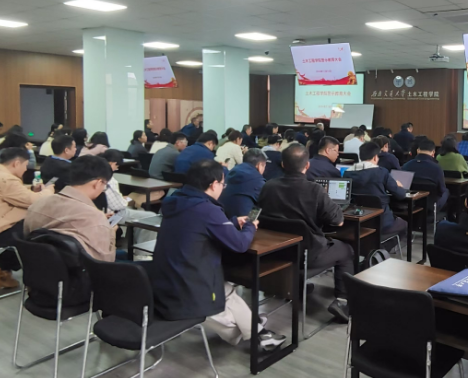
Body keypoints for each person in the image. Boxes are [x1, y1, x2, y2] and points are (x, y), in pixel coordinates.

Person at [150, 159, 285, 349]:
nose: (223, 188)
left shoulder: (175, 200)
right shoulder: (207, 209)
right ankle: (253, 332)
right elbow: (239, 244)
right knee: (224, 308)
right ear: (214, 184)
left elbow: (196, 226)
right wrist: (249, 226)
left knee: (227, 289)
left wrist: (230, 223)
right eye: (223, 184)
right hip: (186, 288)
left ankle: (256, 330)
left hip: (166, 278)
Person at [258, 144, 352, 321]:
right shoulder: (315, 190)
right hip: (308, 254)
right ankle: (343, 301)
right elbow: (338, 221)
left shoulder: (268, 186)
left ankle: (297, 284)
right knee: (345, 250)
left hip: (276, 251)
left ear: (283, 164)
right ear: (307, 165)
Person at [0, 148, 55, 292]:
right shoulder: (6, 179)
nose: (26, 169)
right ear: (16, 163)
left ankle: (2, 269)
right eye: (25, 165)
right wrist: (49, 190)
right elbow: (35, 200)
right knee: (39, 233)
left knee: (33, 226)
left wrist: (31, 188)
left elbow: (14, 192)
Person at [24, 155, 116, 261]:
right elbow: (105, 262)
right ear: (98, 183)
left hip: (37, 266)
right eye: (105, 185)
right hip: (79, 270)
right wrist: (110, 232)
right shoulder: (96, 218)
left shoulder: (38, 204)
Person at [344, 142, 408, 248]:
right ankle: (382, 250)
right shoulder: (381, 172)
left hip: (360, 220)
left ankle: (375, 248)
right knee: (404, 224)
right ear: (375, 157)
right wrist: (398, 186)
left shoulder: (347, 173)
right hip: (382, 221)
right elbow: (401, 195)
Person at [99, 150, 159, 245]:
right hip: (113, 213)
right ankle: (142, 250)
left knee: (139, 211)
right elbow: (118, 206)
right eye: (117, 167)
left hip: (101, 212)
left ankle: (134, 244)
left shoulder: (93, 173)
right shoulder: (109, 179)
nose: (116, 169)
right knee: (150, 216)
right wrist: (125, 200)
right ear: (112, 163)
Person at [402, 138, 449, 212]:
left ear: (418, 150)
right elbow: (441, 190)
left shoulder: (406, 166)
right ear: (433, 152)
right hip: (431, 205)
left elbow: (402, 187)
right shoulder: (437, 168)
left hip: (412, 203)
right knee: (446, 191)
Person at [219, 149, 266, 218]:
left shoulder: (230, 173)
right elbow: (265, 204)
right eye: (264, 166)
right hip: (242, 221)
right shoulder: (258, 181)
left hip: (221, 217)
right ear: (259, 165)